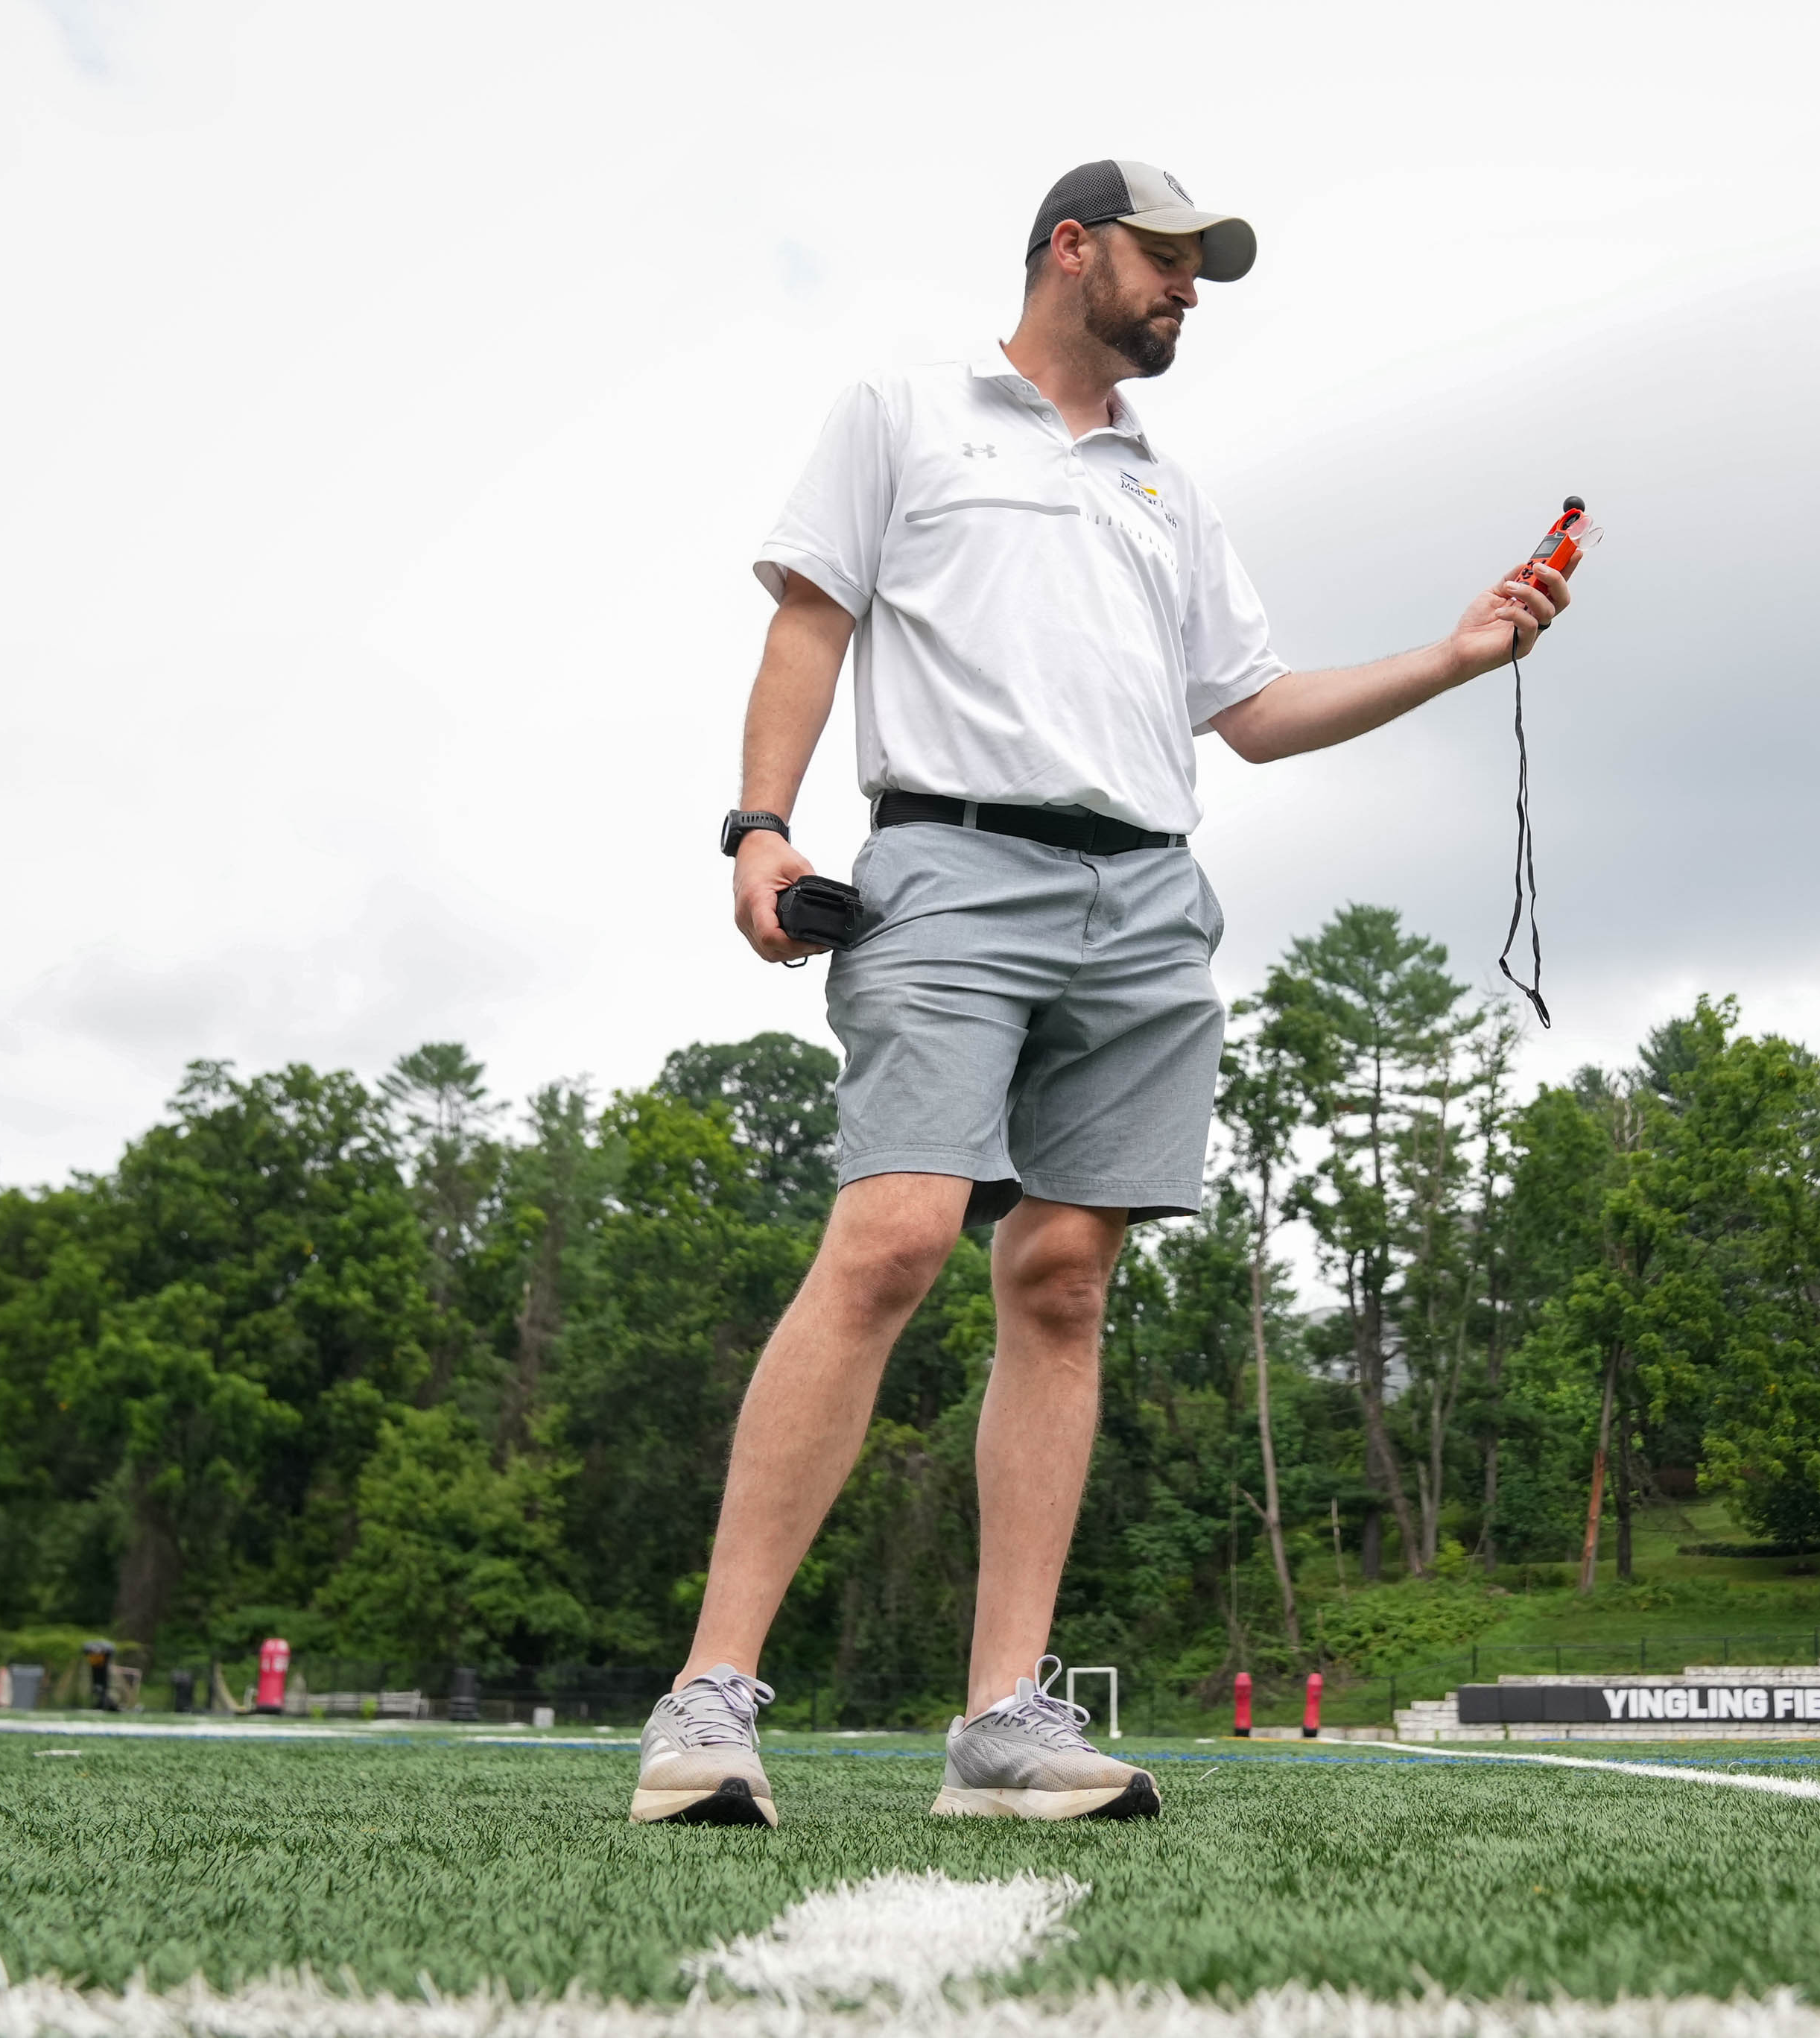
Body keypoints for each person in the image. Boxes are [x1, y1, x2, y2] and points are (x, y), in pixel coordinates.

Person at [630, 160, 1573, 1827]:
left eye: (1201, 269)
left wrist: (1455, 652)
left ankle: (1000, 1721)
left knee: (1062, 1279)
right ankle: (708, 1700)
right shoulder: (904, 415)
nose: (1189, 288)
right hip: (948, 865)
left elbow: (1257, 714)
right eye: (1167, 259)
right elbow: (807, 628)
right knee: (897, 1232)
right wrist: (761, 828)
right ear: (1073, 249)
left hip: (1146, 901)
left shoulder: (1167, 493)